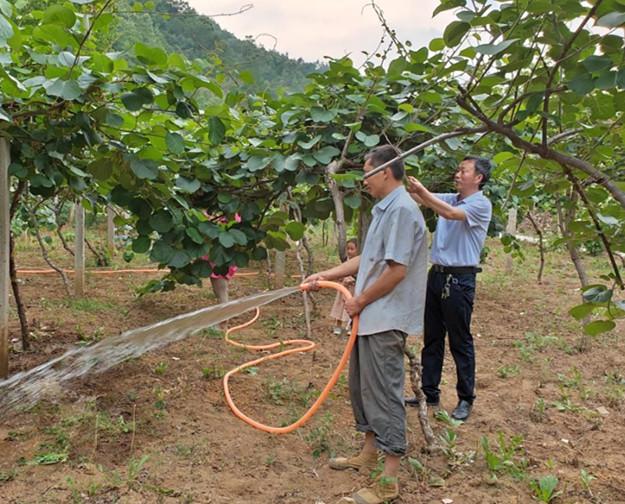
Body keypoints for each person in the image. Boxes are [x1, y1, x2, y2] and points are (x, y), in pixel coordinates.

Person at [305, 145, 428, 504]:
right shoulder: (385, 210)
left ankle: (389, 480)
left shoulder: (403, 211)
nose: (364, 181)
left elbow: (397, 270)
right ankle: (368, 452)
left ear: (385, 172)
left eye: (367, 174)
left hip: (384, 316)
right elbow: (368, 259)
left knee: (385, 392)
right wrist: (325, 274)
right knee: (363, 387)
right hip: (370, 316)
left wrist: (358, 300)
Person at [405, 156, 492, 422]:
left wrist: (423, 192)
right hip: (438, 276)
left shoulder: (479, 204)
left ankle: (466, 398)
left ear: (478, 178)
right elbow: (425, 199)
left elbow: (449, 213)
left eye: (463, 170)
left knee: (460, 341)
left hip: (459, 280)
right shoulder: (452, 198)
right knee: (432, 337)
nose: (457, 174)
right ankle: (430, 392)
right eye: (457, 169)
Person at [329, 238, 358, 335]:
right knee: (340, 306)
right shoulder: (345, 261)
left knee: (352, 307)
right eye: (348, 249)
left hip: (353, 289)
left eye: (352, 249)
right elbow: (339, 274)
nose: (349, 251)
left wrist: (354, 280)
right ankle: (338, 325)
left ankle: (351, 326)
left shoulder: (359, 263)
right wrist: (343, 280)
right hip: (343, 288)